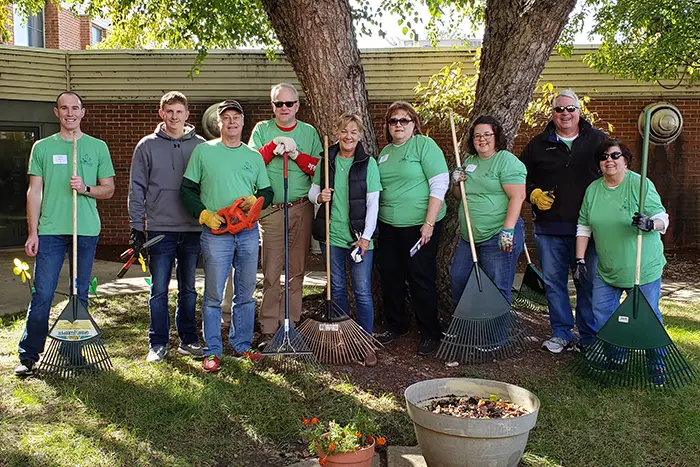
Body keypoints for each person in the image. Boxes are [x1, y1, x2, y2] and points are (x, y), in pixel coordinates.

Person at [15, 91, 115, 377]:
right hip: (50, 231)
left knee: (78, 292)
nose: (70, 113)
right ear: (56, 113)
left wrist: (85, 188)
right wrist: (32, 232)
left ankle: (72, 352)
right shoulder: (42, 147)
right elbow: (34, 192)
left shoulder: (98, 147)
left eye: (75, 108)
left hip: (84, 230)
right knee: (43, 292)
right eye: (64, 108)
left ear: (83, 113)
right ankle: (29, 354)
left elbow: (108, 189)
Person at [180, 100, 273, 373]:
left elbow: (268, 193)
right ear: (218, 123)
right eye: (226, 118)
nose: (231, 122)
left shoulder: (253, 156)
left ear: (243, 122)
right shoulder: (203, 152)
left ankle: (242, 345)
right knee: (213, 295)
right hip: (216, 233)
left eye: (236, 117)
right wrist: (204, 214)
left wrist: (255, 200)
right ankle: (212, 350)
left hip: (246, 233)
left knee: (245, 293)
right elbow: (186, 190)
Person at [575, 138, 669, 382]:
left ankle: (656, 363)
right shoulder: (593, 190)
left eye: (615, 156)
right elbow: (584, 226)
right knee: (602, 314)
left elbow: (662, 218)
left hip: (642, 268)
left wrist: (650, 224)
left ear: (626, 161)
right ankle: (617, 356)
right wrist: (580, 259)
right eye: (604, 156)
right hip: (608, 269)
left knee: (648, 316)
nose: (609, 160)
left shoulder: (639, 185)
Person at [520, 89, 606, 354]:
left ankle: (589, 338)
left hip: (588, 230)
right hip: (549, 229)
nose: (565, 114)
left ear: (580, 111)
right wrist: (532, 193)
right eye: (559, 109)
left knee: (587, 283)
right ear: (553, 113)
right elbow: (519, 176)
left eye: (570, 109)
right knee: (554, 284)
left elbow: (617, 170)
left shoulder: (598, 141)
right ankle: (561, 334)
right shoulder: (538, 144)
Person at [128, 91, 206, 363]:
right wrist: (137, 225)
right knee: (159, 288)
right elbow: (136, 188)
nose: (174, 117)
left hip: (193, 227)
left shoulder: (201, 145)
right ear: (161, 114)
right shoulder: (146, 146)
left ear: (187, 114)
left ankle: (188, 339)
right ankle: (158, 342)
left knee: (189, 289)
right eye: (169, 112)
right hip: (160, 227)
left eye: (179, 112)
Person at [248, 83, 322, 349]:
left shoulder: (308, 132)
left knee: (296, 271)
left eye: (289, 104)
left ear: (297, 106)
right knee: (271, 271)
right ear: (273, 106)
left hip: (301, 206)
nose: (284, 108)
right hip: (272, 210)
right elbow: (251, 163)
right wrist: (271, 148)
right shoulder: (262, 130)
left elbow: (318, 167)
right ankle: (269, 328)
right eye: (279, 104)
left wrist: (296, 155)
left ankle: (290, 324)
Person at [375, 101, 449, 356]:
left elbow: (440, 183)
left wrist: (429, 223)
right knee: (391, 276)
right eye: (393, 121)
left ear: (414, 123)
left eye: (404, 120)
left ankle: (431, 332)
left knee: (420, 277)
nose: (398, 125)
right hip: (388, 226)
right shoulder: (384, 153)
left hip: (420, 225)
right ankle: (397, 326)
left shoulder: (424, 145)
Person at [309, 113, 382, 366]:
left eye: (353, 132)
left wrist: (366, 238)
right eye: (343, 131)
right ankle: (342, 338)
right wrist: (320, 197)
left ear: (359, 135)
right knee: (337, 288)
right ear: (337, 133)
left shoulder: (367, 163)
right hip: (331, 236)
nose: (348, 136)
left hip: (359, 238)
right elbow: (312, 192)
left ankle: (365, 342)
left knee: (362, 291)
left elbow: (373, 204)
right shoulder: (326, 160)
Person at [451, 115, 526, 304]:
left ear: (496, 136)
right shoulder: (468, 161)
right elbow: (460, 196)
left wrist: (508, 230)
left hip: (497, 234)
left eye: (487, 134)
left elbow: (518, 196)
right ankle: (472, 330)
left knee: (497, 287)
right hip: (469, 236)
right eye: (477, 136)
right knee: (458, 278)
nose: (482, 139)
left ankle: (497, 334)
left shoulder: (506, 161)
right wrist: (456, 182)